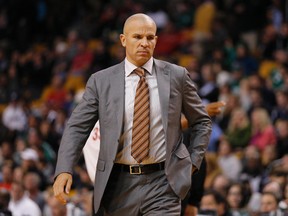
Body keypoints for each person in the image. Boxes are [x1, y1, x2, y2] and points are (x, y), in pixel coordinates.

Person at [53, 13, 212, 215]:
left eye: (150, 37)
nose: (144, 43)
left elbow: (201, 122)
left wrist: (193, 162)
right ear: (123, 40)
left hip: (163, 182)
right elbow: (77, 127)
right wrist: (64, 169)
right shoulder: (101, 81)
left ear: (156, 40)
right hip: (117, 183)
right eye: (137, 37)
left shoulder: (177, 76)